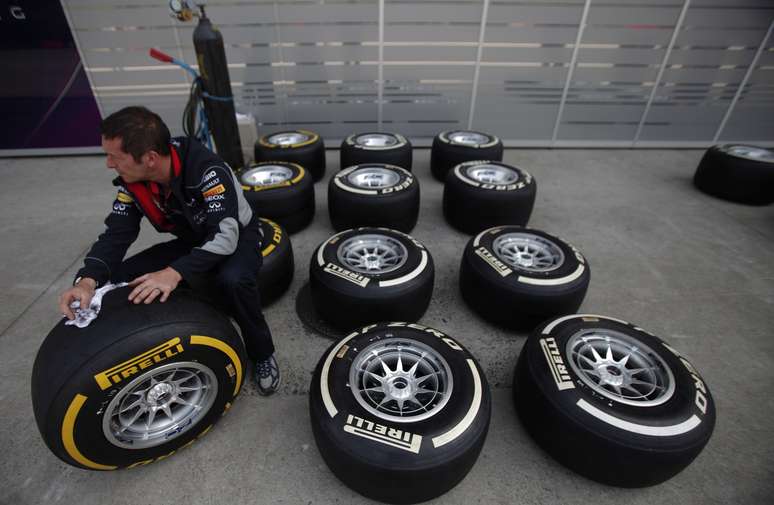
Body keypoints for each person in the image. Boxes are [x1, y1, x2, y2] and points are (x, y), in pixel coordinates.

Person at [57, 106, 280, 395]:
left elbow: (225, 238)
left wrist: (173, 273)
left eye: (115, 157)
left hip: (236, 236)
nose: (109, 164)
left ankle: (262, 354)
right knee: (118, 277)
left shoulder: (208, 170)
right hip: (192, 239)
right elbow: (116, 234)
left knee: (234, 280)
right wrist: (87, 280)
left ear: (150, 158)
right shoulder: (133, 183)